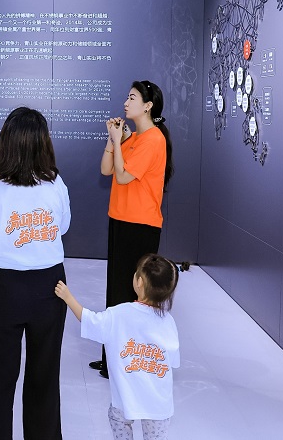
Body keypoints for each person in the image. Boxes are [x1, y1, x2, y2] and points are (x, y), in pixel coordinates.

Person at [0, 107, 71, 440]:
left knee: (1, 376)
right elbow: (62, 227)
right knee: (44, 375)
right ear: (43, 142)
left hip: (4, 287)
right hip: (50, 286)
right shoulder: (55, 182)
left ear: (5, 140)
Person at [55, 254, 180, 440]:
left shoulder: (118, 315)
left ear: (139, 282)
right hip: (158, 404)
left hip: (126, 398)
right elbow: (173, 362)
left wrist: (68, 297)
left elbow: (89, 320)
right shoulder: (168, 322)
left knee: (117, 418)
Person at [95, 80, 173, 379]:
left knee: (133, 294)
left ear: (148, 106)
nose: (126, 103)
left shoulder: (153, 140)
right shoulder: (135, 137)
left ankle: (125, 362)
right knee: (116, 292)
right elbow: (106, 169)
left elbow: (124, 176)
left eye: (132, 98)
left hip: (140, 225)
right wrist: (113, 140)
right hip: (120, 219)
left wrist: (119, 141)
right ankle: (111, 360)